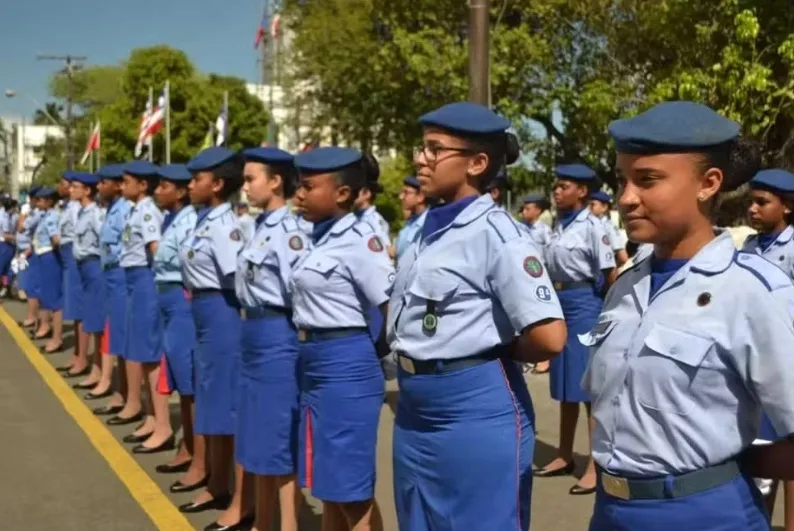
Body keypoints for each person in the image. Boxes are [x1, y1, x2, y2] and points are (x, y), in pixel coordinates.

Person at [583, 101, 794, 531]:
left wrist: (734, 465)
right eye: (623, 179)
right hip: (611, 511)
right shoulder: (626, 285)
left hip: (704, 513)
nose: (626, 198)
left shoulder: (753, 291)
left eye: (647, 180)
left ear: (708, 183)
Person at [388, 101, 566, 531]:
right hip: (415, 409)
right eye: (422, 148)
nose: (420, 159)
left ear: (477, 163)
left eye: (434, 150)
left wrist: (495, 348)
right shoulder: (425, 230)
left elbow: (550, 336)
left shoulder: (499, 235)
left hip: (473, 408)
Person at [291, 146, 394, 531]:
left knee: (351, 492)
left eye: (308, 186)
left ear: (342, 194)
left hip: (346, 366)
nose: (299, 193)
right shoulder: (319, 237)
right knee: (329, 485)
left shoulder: (360, 240)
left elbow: (391, 308)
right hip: (315, 362)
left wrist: (379, 355)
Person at [534, 163, 617, 496]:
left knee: (588, 392)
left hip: (585, 304)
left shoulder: (593, 227)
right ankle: (564, 455)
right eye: (556, 185)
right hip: (560, 302)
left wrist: (608, 315)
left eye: (563, 185)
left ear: (582, 192)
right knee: (566, 387)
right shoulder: (557, 226)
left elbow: (610, 274)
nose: (556, 191)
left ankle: (596, 467)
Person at [236, 147, 308, 531]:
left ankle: (288, 524)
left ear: (276, 181)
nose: (245, 186)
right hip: (252, 334)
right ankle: (263, 521)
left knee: (279, 435)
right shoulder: (259, 226)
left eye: (251, 179)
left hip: (277, 336)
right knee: (257, 432)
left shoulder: (290, 232)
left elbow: (300, 294)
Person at [179, 147, 248, 530]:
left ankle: (239, 496)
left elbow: (237, 281)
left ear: (217, 185)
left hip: (222, 316)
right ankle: (217, 483)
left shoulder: (225, 226)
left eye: (197, 179)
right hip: (205, 315)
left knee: (226, 405)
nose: (190, 186)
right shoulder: (205, 221)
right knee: (211, 401)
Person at [742, 168, 794, 530]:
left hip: (788, 353)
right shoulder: (748, 246)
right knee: (759, 443)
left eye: (763, 202)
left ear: (787, 207)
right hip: (753, 354)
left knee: (789, 443)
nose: (753, 209)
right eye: (752, 201)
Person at [110, 161, 169, 459]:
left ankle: (163, 424)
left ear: (142, 185)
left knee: (149, 353)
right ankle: (150, 416)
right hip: (133, 278)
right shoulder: (135, 209)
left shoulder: (147, 211)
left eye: (127, 181)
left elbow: (156, 250)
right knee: (141, 354)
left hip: (145, 279)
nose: (122, 186)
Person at [151, 164, 203, 488]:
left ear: (181, 191)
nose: (158, 191)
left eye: (164, 186)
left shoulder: (189, 220)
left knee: (190, 383)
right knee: (180, 378)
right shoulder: (172, 219)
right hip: (169, 299)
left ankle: (199, 457)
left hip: (182, 300)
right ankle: (188, 448)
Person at [88, 164, 130, 415]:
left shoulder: (124, 210)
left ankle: (126, 395)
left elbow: (127, 246)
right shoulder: (113, 210)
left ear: (118, 185)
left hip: (122, 274)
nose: (100, 187)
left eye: (104, 182)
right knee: (115, 334)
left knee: (122, 336)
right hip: (112, 274)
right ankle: (121, 391)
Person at [69, 173, 106, 394]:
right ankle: (95, 368)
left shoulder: (95, 213)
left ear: (87, 191)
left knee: (97, 320)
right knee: (90, 318)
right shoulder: (81, 212)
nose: (71, 190)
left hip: (94, 266)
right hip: (83, 266)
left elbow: (104, 241)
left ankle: (99, 370)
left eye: (76, 187)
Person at [32, 186, 65, 354]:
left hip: (49, 257)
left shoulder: (52, 216)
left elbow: (55, 239)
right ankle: (52, 333)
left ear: (49, 201)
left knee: (54, 300)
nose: (37, 202)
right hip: (44, 256)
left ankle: (57, 338)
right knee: (47, 296)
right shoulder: (46, 215)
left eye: (41, 199)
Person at [392, 176, 428, 262]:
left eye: (406, 193)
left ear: (420, 197)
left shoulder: (427, 225)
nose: (401, 197)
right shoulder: (410, 223)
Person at [589, 190, 629, 267]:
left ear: (604, 207)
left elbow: (623, 257)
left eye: (592, 205)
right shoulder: (591, 224)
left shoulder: (608, 227)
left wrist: (611, 273)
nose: (588, 208)